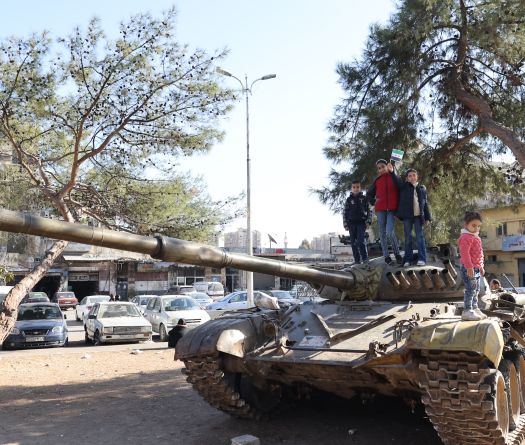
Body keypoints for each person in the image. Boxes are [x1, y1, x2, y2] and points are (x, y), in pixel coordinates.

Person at [367, 159, 403, 265]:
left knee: (390, 231)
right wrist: (374, 201)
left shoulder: (394, 177)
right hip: (380, 210)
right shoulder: (377, 180)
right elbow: (369, 194)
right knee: (382, 233)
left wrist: (392, 172)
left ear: (387, 166)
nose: (381, 169)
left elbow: (400, 186)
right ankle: (386, 256)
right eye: (379, 168)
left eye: (383, 166)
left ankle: (397, 254)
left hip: (392, 209)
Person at [395, 168, 432, 266]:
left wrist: (428, 218)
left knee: (420, 237)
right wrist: (393, 169)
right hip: (407, 216)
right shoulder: (404, 187)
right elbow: (397, 181)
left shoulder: (422, 189)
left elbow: (425, 204)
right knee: (408, 238)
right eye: (410, 176)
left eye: (414, 175)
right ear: (407, 178)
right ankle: (408, 259)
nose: (412, 177)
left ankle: (422, 259)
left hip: (418, 217)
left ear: (417, 176)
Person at [458, 211, 486, 321]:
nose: (476, 228)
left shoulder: (475, 237)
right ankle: (467, 310)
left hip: (476, 268)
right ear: (466, 225)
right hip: (468, 268)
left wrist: (481, 266)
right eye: (473, 225)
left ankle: (474, 308)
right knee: (471, 290)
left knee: (476, 290)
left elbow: (480, 254)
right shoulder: (466, 237)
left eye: (478, 226)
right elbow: (464, 254)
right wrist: (469, 267)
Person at [343, 180, 372, 264]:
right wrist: (345, 224)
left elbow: (369, 211)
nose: (356, 189)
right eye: (354, 187)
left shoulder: (364, 199)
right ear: (351, 188)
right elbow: (344, 212)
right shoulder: (348, 200)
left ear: (360, 188)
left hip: (361, 223)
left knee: (360, 241)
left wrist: (368, 221)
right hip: (351, 224)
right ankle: (357, 260)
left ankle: (365, 258)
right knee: (353, 243)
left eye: (358, 187)